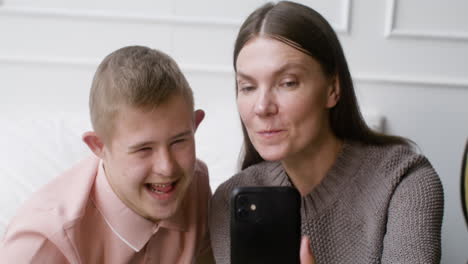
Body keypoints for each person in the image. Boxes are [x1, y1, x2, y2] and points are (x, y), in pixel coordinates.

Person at [208, 1, 444, 263]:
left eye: (288, 83)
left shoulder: (404, 181)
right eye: (248, 87)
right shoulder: (231, 201)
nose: (262, 107)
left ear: (332, 89)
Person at [0, 46, 214, 263]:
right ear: (98, 146)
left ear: (195, 125)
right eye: (143, 149)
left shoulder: (196, 184)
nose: (167, 167)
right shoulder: (40, 244)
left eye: (179, 141)